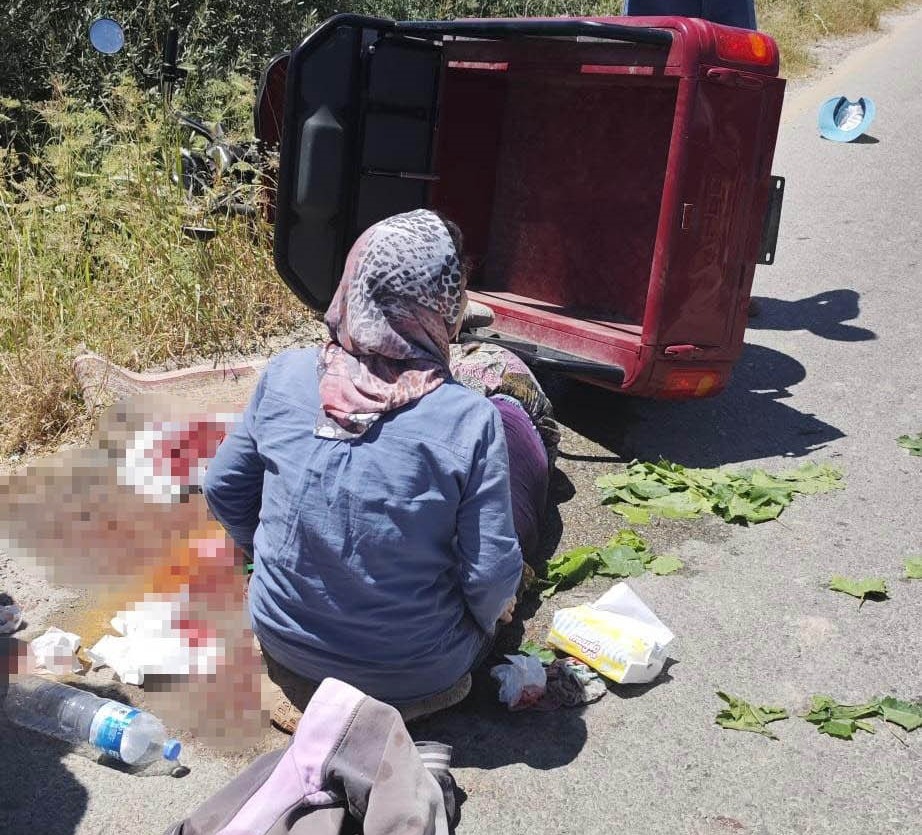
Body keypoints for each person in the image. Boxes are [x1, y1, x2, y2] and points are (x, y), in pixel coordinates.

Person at [203, 209, 530, 731]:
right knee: (517, 555)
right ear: (446, 306)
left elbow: (222, 486)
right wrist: (491, 618)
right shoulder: (470, 419)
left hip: (285, 640)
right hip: (415, 672)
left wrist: (260, 549)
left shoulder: (286, 374)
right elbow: (489, 573)